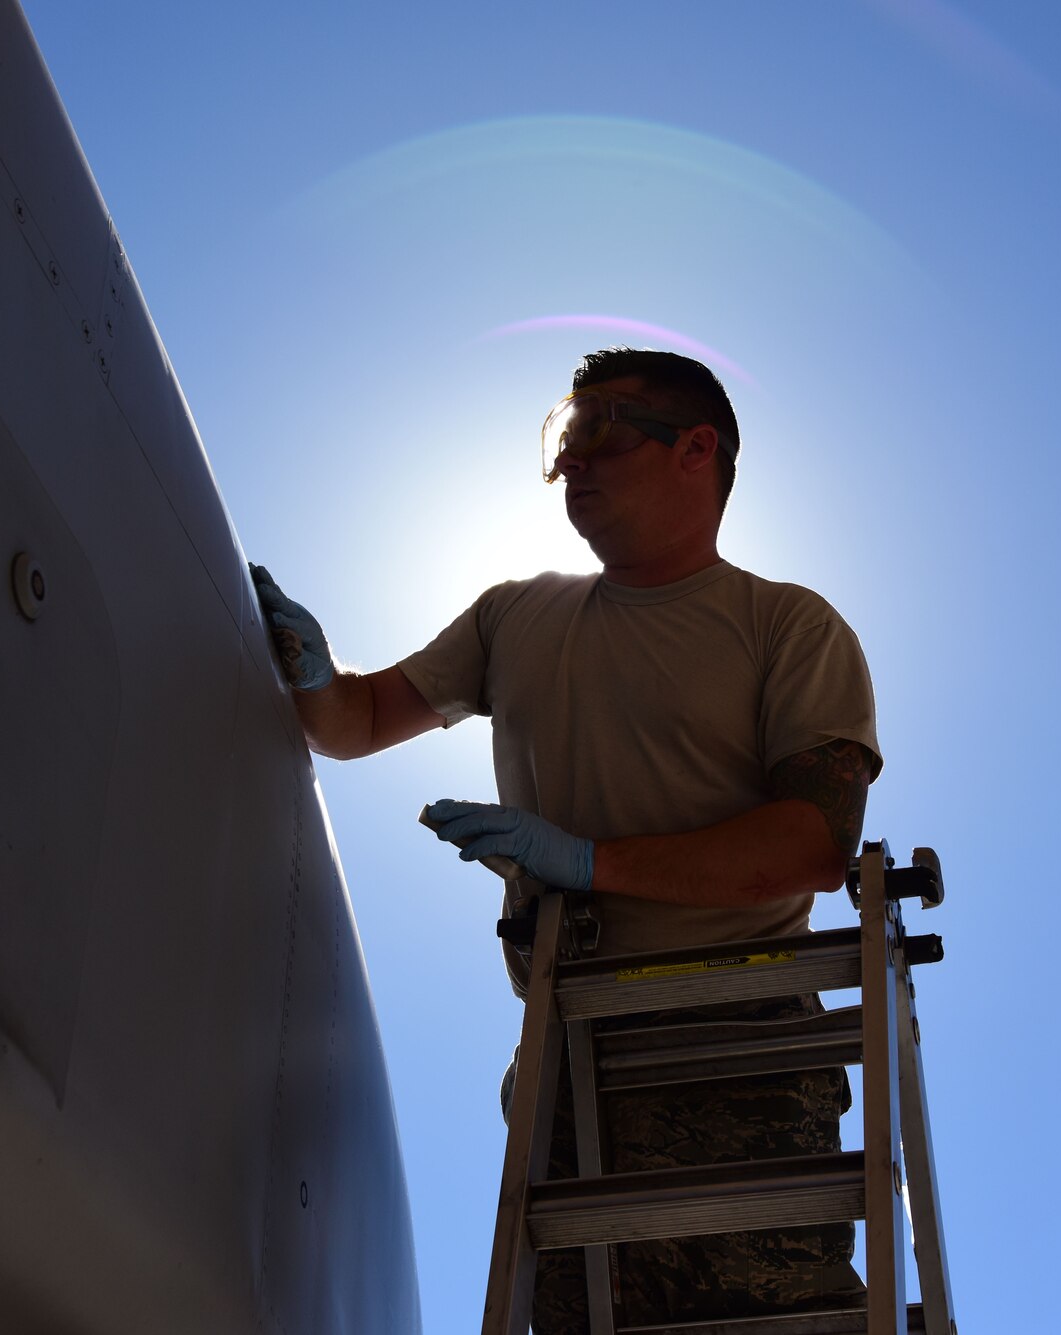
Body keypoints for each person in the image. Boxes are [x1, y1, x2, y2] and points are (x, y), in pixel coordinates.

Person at [252, 347, 882, 1331]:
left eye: (598, 434)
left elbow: (807, 844)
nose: (568, 465)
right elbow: (359, 722)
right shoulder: (516, 615)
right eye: (560, 439)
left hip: (735, 1045)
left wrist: (591, 864)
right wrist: (312, 674)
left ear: (695, 449)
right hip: (569, 1049)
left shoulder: (786, 628)